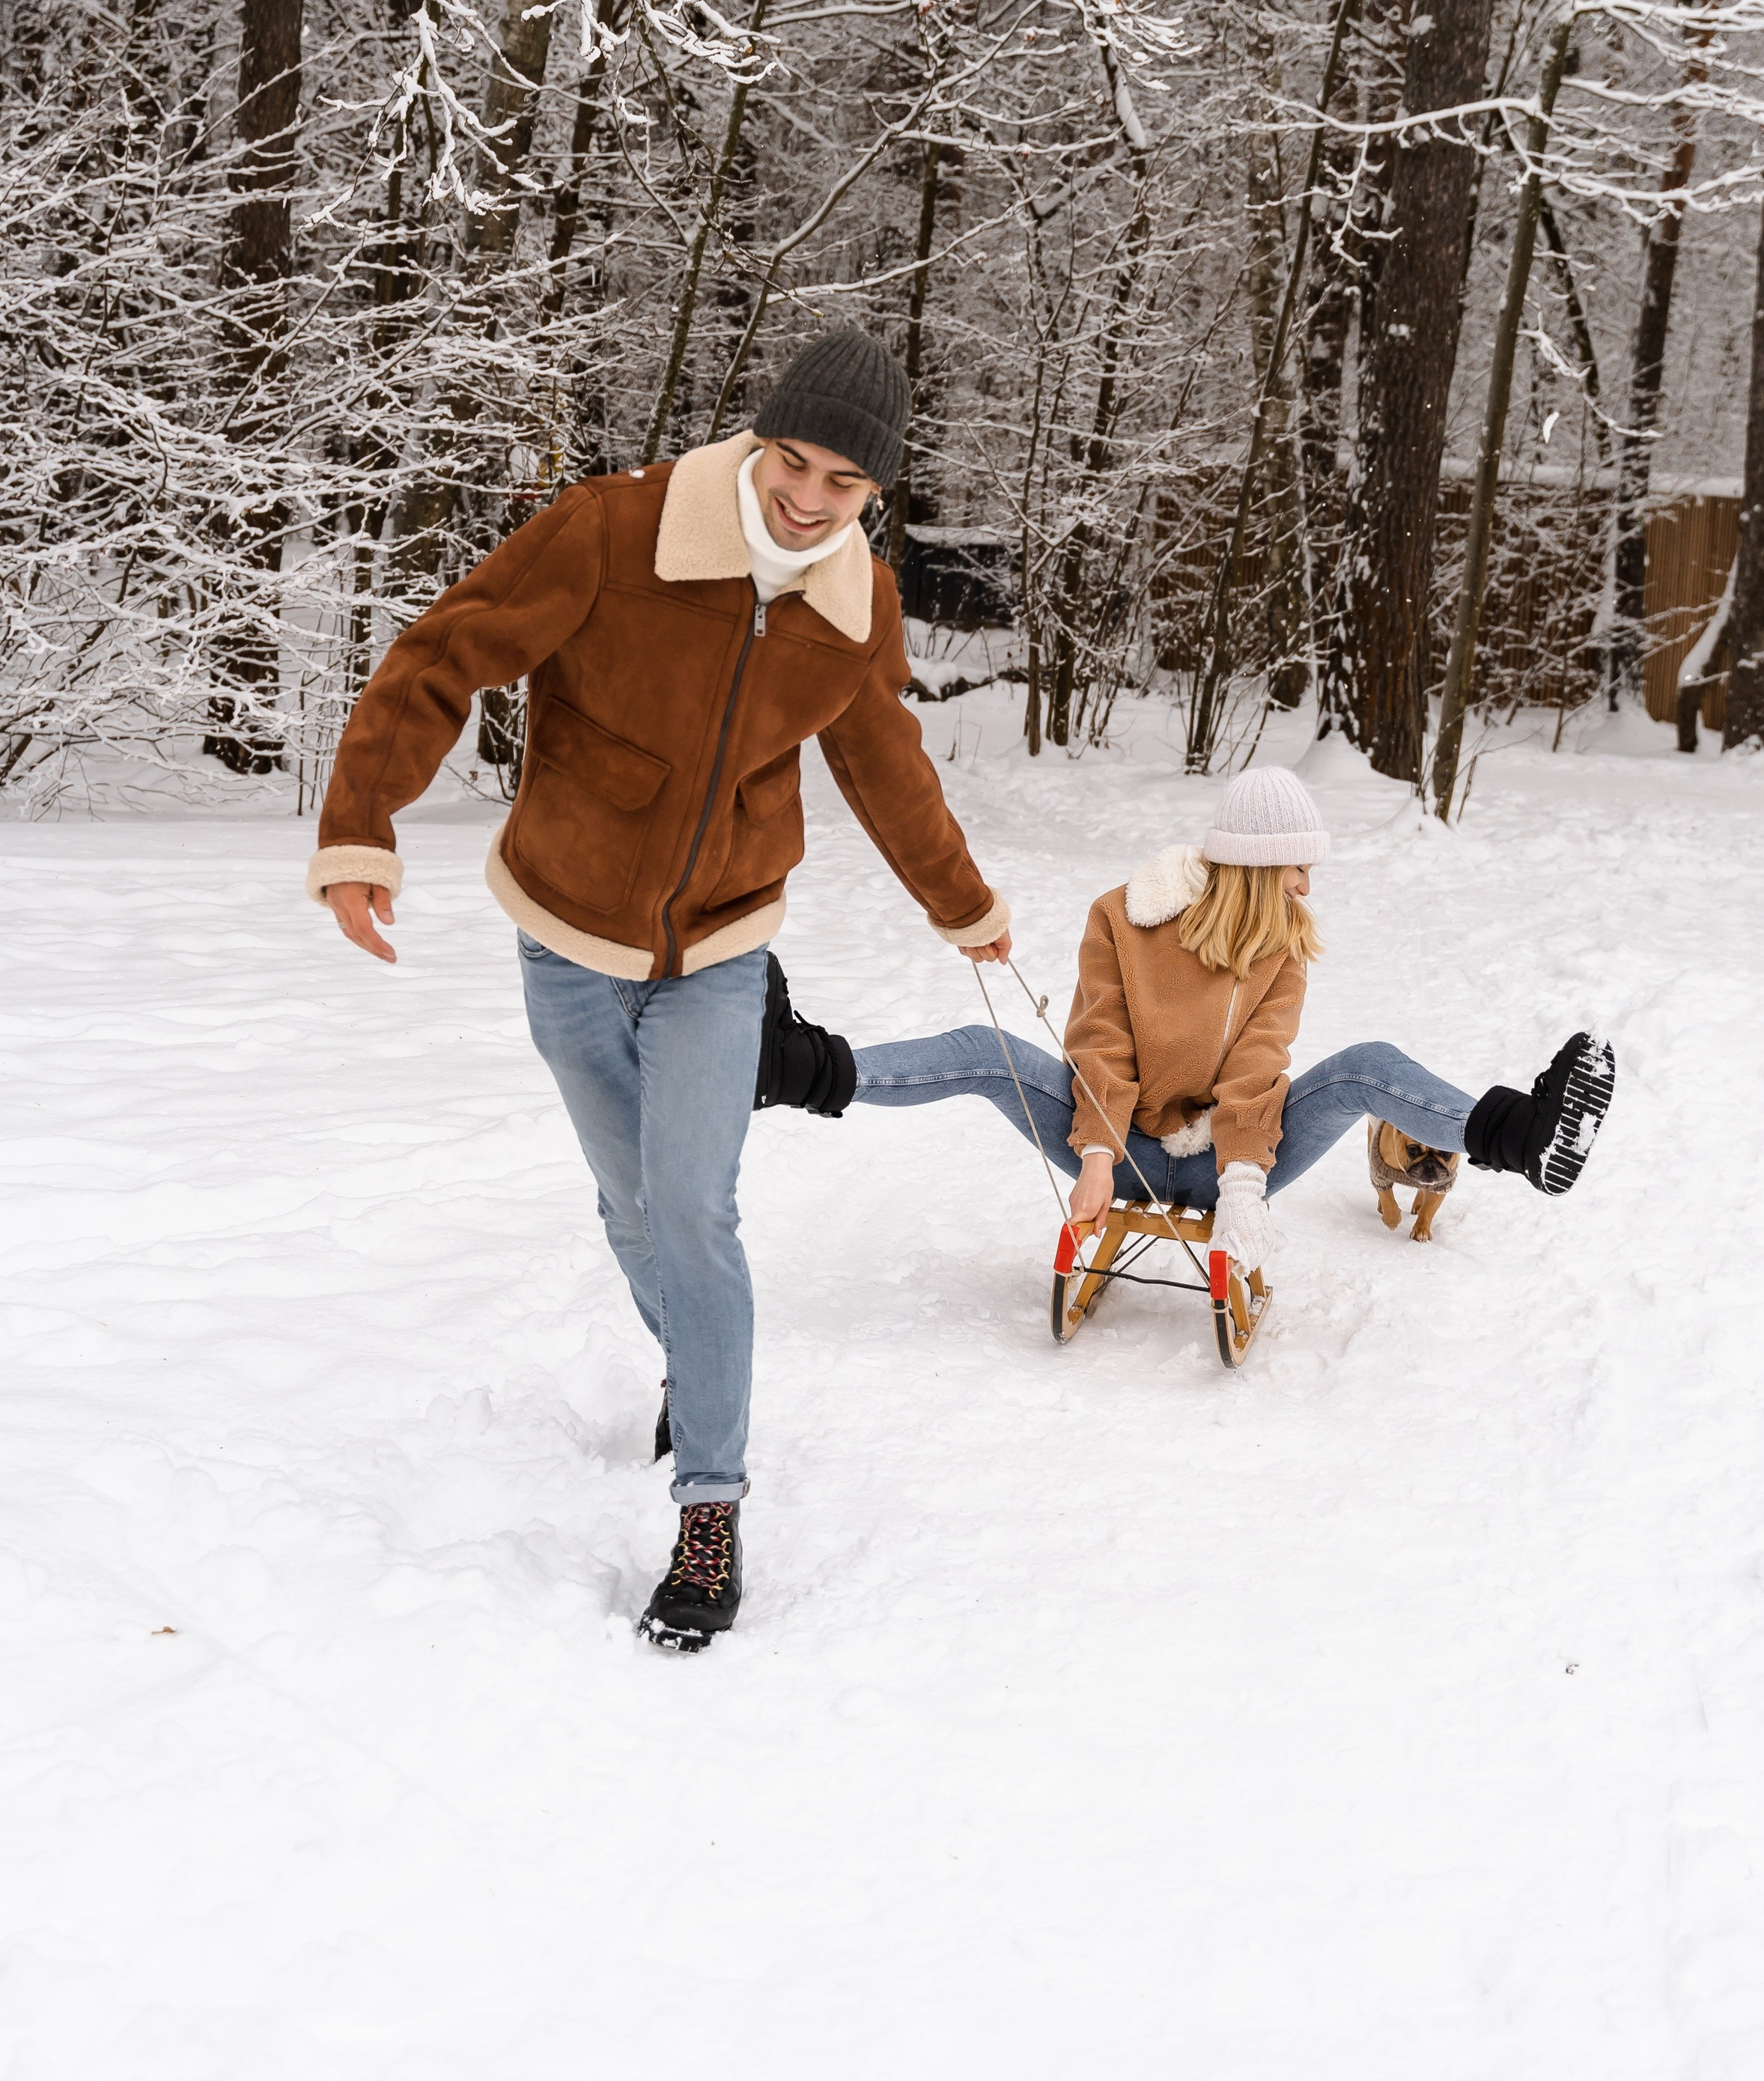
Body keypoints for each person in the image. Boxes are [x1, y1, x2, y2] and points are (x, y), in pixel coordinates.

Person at [309, 329, 1010, 1653]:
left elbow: (888, 767)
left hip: (723, 947)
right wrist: (362, 826)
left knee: (693, 1208)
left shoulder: (855, 604)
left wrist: (961, 905)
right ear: (758, 441)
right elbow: (444, 652)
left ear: (877, 495)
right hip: (564, 933)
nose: (808, 499)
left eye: (845, 485)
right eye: (792, 463)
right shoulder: (615, 535)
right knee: (633, 1210)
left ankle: (710, 1500)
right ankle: (696, 1366)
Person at [759, 765, 1614, 1270]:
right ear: (1253, 865)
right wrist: (1094, 1157)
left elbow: (1257, 1072)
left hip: (1229, 1168)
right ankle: (798, 1068)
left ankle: (1522, 1138)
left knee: (1366, 1061)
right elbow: (1100, 1040)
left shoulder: (1283, 948)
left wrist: (1242, 1190)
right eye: (1296, 869)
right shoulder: (1121, 919)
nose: (1309, 888)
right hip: (1118, 1151)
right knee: (986, 1050)